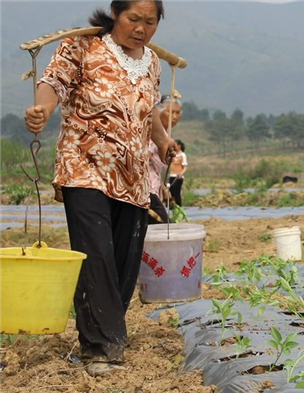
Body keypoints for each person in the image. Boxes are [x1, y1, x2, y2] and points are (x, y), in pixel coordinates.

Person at [23, 0, 175, 376]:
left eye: (150, 22)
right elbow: (52, 83)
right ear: (115, 14)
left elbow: (149, 111)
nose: (141, 28)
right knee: (96, 254)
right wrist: (41, 109)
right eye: (133, 19)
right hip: (84, 168)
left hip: (134, 176)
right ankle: (103, 347)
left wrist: (162, 140)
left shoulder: (151, 63)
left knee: (124, 259)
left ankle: (102, 332)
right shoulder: (82, 46)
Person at [148, 94, 182, 224]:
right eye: (171, 112)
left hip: (153, 189)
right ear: (159, 112)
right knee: (164, 226)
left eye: (178, 113)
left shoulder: (165, 134)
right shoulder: (156, 134)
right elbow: (145, 160)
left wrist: (163, 188)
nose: (175, 117)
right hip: (147, 191)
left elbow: (153, 168)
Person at [168, 139, 187, 207]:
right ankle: (172, 208)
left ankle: (179, 208)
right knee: (171, 193)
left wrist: (181, 174)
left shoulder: (182, 155)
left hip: (178, 177)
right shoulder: (172, 154)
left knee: (176, 193)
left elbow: (185, 167)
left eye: (175, 146)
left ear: (179, 146)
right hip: (171, 176)